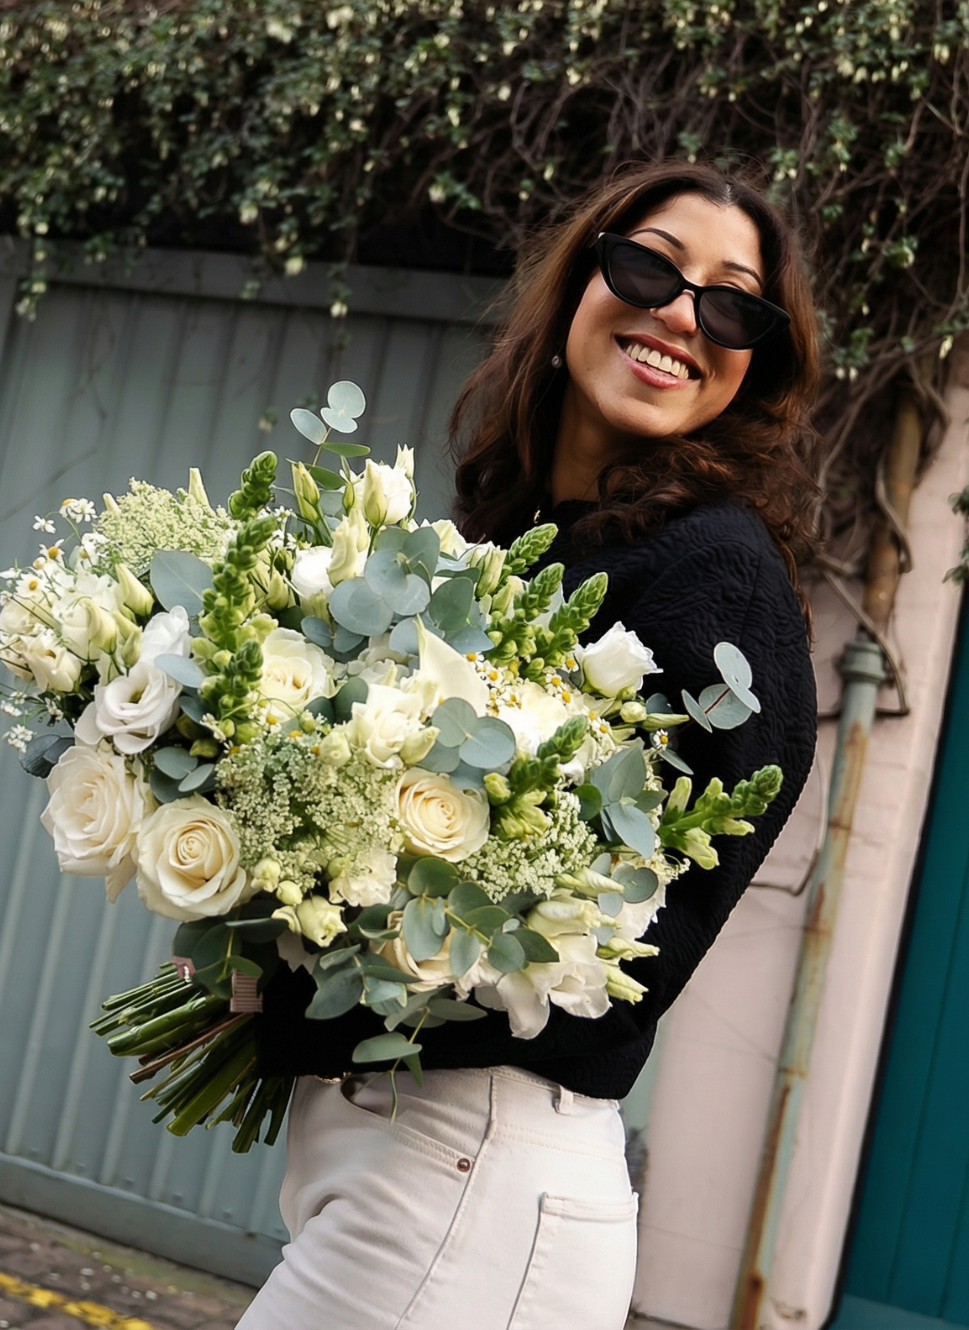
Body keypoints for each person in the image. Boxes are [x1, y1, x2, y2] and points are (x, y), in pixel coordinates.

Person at [240, 161, 820, 1330]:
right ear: (579, 283)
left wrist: (314, 964)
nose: (679, 314)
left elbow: (615, 956)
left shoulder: (715, 577)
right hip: (410, 1166)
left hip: (476, 1178)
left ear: (753, 365)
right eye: (651, 265)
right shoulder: (515, 541)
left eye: (731, 303)